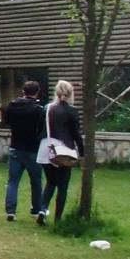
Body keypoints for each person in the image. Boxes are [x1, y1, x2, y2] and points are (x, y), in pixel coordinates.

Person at [38, 79, 85, 226]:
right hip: (63, 149)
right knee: (63, 185)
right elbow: (76, 134)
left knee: (50, 182)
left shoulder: (46, 108)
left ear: (56, 93)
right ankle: (58, 219)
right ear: (71, 93)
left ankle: (43, 209)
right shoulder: (71, 110)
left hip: (46, 147)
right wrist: (82, 153)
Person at [1, 80, 46, 222]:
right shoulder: (39, 109)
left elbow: (7, 121)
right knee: (36, 181)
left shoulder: (12, 106)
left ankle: (11, 211)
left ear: (23, 92)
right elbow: (42, 128)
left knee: (13, 181)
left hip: (16, 146)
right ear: (37, 92)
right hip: (33, 149)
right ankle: (36, 209)